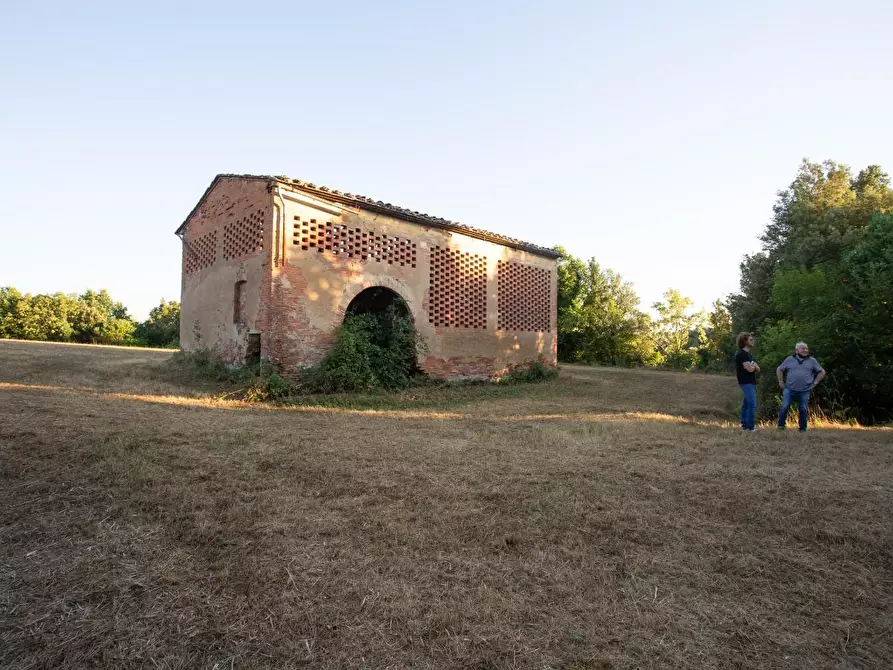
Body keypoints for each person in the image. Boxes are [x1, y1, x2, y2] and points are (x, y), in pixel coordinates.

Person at [776, 342, 826, 432]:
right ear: (796, 350)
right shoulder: (789, 359)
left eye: (806, 348)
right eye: (803, 348)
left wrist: (815, 383)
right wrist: (780, 381)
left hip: (805, 390)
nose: (805, 350)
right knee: (784, 406)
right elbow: (779, 369)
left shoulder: (812, 360)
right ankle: (781, 426)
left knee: (803, 409)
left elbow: (822, 372)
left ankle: (802, 428)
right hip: (789, 389)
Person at [734, 332, 760, 431]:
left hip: (751, 382)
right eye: (750, 340)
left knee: (746, 404)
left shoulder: (748, 355)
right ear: (744, 341)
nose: (753, 341)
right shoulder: (742, 354)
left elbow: (758, 368)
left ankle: (745, 426)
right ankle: (750, 426)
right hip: (745, 382)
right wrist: (753, 366)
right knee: (752, 404)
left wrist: (753, 366)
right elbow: (750, 369)